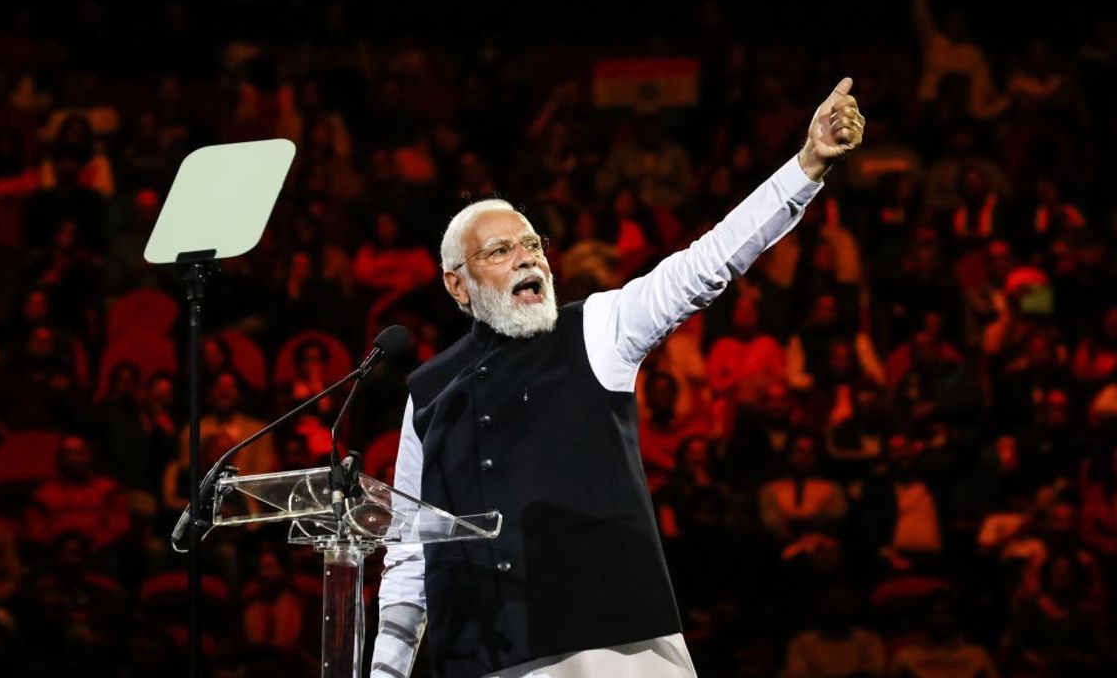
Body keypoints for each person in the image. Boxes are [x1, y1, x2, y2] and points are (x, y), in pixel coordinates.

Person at [369, 80, 866, 678]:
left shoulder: (598, 327)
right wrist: (385, 672)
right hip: (486, 659)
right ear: (457, 284)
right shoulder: (427, 395)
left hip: (616, 647)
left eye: (532, 244)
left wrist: (806, 167)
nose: (527, 257)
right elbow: (408, 553)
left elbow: (705, 264)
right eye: (500, 251)